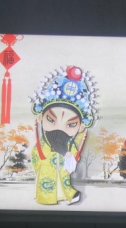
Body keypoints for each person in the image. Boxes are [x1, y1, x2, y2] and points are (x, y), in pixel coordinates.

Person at [30, 65, 99, 205]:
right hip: (46, 172)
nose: (59, 129)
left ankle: (67, 194)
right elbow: (35, 157)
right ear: (40, 117)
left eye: (71, 124)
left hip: (63, 169)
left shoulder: (70, 145)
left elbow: (72, 162)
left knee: (64, 176)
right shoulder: (42, 144)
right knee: (46, 176)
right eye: (51, 120)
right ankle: (46, 197)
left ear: (81, 127)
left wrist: (68, 156)